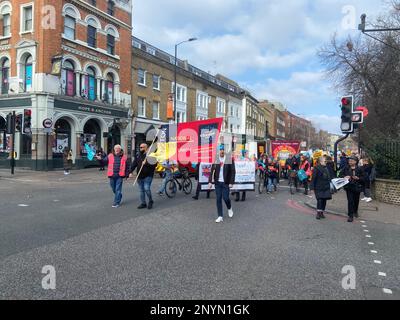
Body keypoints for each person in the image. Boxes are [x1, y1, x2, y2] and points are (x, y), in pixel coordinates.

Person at [208, 145, 236, 223]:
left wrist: (231, 182)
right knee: (218, 199)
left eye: (223, 150)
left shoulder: (229, 159)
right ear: (218, 151)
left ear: (225, 151)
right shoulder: (216, 159)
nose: (222, 151)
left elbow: (233, 171)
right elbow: (212, 171)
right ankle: (220, 216)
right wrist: (210, 181)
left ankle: (229, 208)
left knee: (226, 198)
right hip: (218, 183)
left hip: (226, 182)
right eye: (220, 150)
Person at [129, 143, 157, 210]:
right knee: (141, 190)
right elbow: (134, 164)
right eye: (140, 147)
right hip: (140, 176)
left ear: (146, 148)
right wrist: (130, 172)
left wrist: (146, 163)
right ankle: (143, 203)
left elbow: (154, 165)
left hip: (148, 175)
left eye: (142, 147)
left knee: (146, 188)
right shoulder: (138, 155)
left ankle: (150, 200)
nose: (140, 148)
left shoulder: (151, 155)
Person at [339, 156, 365, 222]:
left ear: (355, 162)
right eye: (349, 161)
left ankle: (355, 211)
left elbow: (364, 178)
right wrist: (344, 176)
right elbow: (340, 175)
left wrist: (358, 178)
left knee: (356, 201)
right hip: (349, 187)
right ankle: (350, 215)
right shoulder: (346, 168)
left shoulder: (360, 169)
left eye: (351, 160)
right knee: (350, 201)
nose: (349, 162)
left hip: (357, 187)